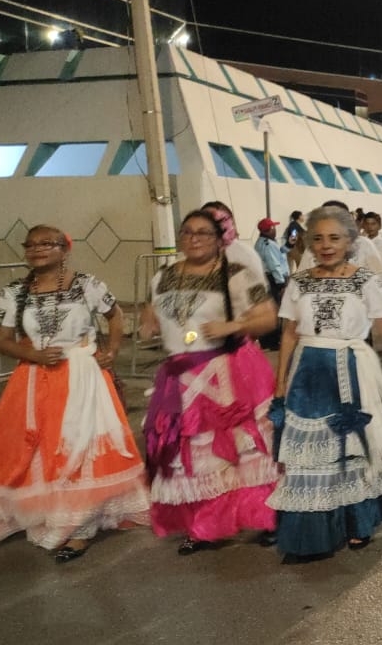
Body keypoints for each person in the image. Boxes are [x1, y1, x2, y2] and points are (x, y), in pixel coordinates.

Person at [269, 207, 382, 561]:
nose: (326, 246)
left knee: (354, 449)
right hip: (307, 376)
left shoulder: (365, 280)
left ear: (350, 241)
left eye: (334, 238)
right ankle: (315, 529)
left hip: (353, 371)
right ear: (310, 242)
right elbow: (290, 332)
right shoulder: (299, 281)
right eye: (318, 238)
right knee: (313, 454)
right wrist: (280, 381)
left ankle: (358, 521)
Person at [0, 226, 150, 562]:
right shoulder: (13, 292)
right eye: (30, 244)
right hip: (34, 379)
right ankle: (46, 513)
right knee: (37, 449)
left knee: (79, 448)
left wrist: (112, 349)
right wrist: (33, 355)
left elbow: (115, 315)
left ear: (65, 249)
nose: (37, 249)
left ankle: (79, 528)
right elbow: (1, 338)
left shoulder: (87, 284)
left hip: (81, 377)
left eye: (46, 243)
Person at [139, 210, 281, 554]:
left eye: (204, 233)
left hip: (230, 371)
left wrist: (232, 326)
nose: (194, 238)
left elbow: (268, 317)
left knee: (243, 448)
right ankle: (205, 525)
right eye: (188, 232)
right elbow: (151, 309)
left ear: (220, 239)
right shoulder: (163, 276)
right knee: (191, 453)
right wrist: (149, 322)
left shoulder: (235, 274)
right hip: (181, 376)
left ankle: (264, 515)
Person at [255, 218, 289, 350]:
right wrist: (281, 284)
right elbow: (274, 265)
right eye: (273, 227)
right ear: (268, 230)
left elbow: (281, 255)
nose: (275, 229)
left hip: (268, 279)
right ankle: (273, 341)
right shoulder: (268, 245)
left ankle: (267, 340)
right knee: (276, 310)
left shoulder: (263, 242)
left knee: (270, 309)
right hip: (274, 280)